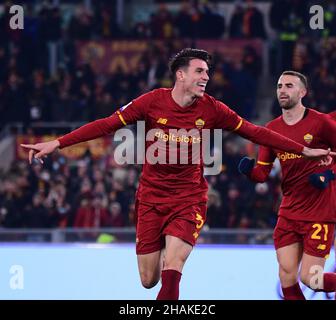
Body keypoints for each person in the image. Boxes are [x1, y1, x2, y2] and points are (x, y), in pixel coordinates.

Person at [21, 50, 333, 300]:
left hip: (190, 198)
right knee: (148, 280)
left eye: (207, 73)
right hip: (151, 198)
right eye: (200, 72)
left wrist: (303, 150)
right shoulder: (151, 102)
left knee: (174, 265)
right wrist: (58, 143)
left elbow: (254, 132)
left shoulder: (212, 109)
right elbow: (105, 124)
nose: (206, 78)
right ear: (180, 75)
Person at [238, 70, 336, 300]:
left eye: (289, 86)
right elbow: (262, 173)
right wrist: (249, 172)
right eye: (280, 86)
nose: (282, 90)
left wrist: (328, 175)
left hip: (318, 211)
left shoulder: (321, 123)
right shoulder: (271, 129)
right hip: (289, 211)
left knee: (311, 278)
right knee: (286, 278)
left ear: (303, 92)